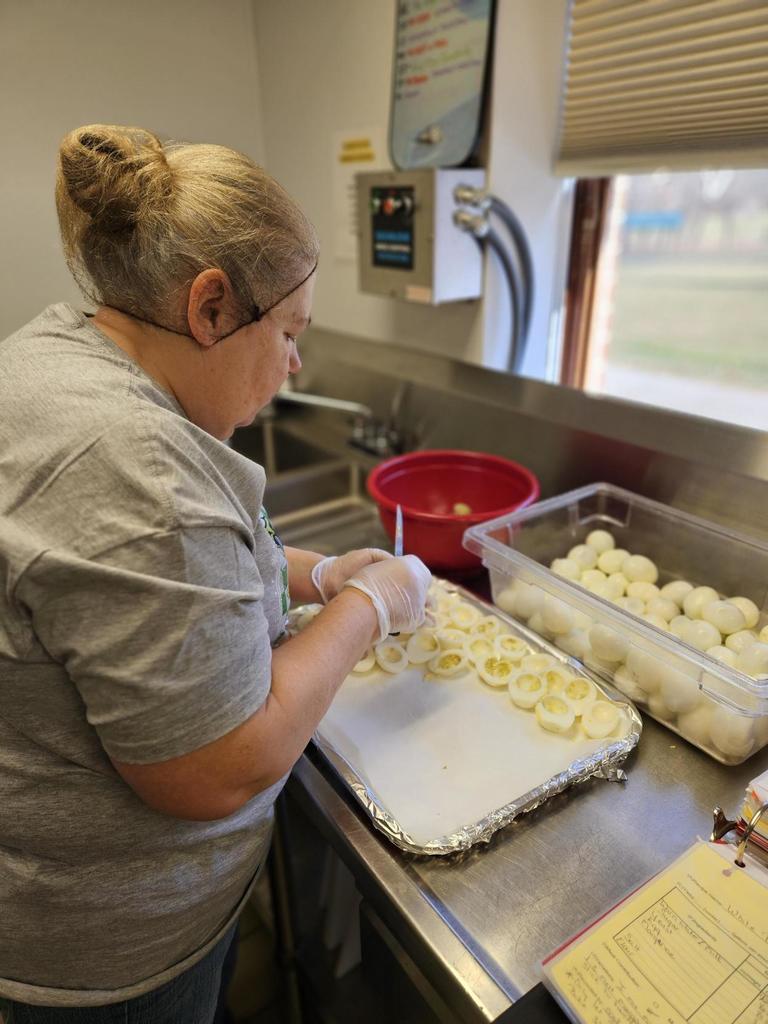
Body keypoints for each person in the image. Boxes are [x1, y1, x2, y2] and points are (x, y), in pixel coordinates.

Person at [0, 124, 431, 1022]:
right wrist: (368, 607)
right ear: (210, 309)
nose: (296, 363)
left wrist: (312, 575)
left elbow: (159, 583)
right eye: (288, 333)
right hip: (108, 952)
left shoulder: (59, 349)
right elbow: (217, 770)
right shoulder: (137, 466)